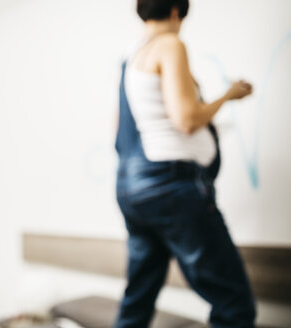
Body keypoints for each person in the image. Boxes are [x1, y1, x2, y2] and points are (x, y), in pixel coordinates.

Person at [114, 0, 256, 327]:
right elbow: (187, 119)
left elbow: (119, 130)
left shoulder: (129, 59)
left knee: (139, 297)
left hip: (133, 189)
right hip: (172, 188)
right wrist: (228, 95)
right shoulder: (170, 44)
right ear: (177, 11)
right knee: (234, 302)